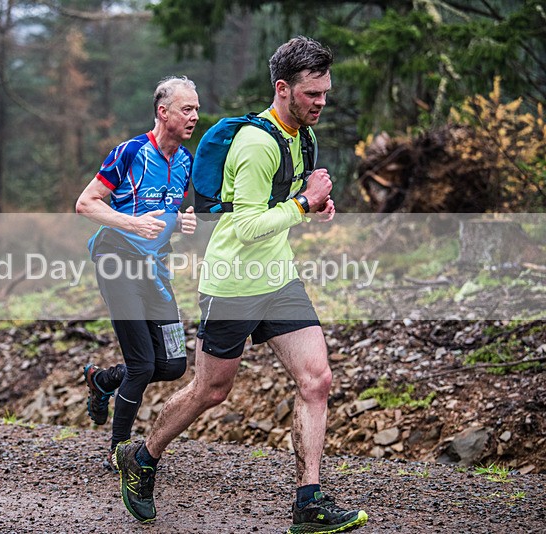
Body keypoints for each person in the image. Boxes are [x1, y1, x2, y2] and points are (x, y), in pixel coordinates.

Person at [113, 37, 369, 533]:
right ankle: (141, 457)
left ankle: (308, 504)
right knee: (211, 390)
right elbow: (248, 226)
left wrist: (311, 203)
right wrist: (304, 203)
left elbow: (278, 203)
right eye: (312, 94)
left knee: (316, 380)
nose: (321, 102)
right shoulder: (256, 144)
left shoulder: (301, 136)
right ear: (283, 89)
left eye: (325, 92)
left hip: (278, 278)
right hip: (233, 282)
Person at [75, 76, 199, 471]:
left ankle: (104, 381)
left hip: (155, 270)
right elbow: (86, 203)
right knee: (143, 364)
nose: (194, 116)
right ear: (163, 112)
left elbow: (162, 215)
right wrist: (132, 224)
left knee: (173, 364)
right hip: (116, 260)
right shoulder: (129, 152)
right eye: (187, 109)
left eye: (196, 109)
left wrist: (180, 223)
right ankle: (119, 452)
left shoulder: (185, 161)